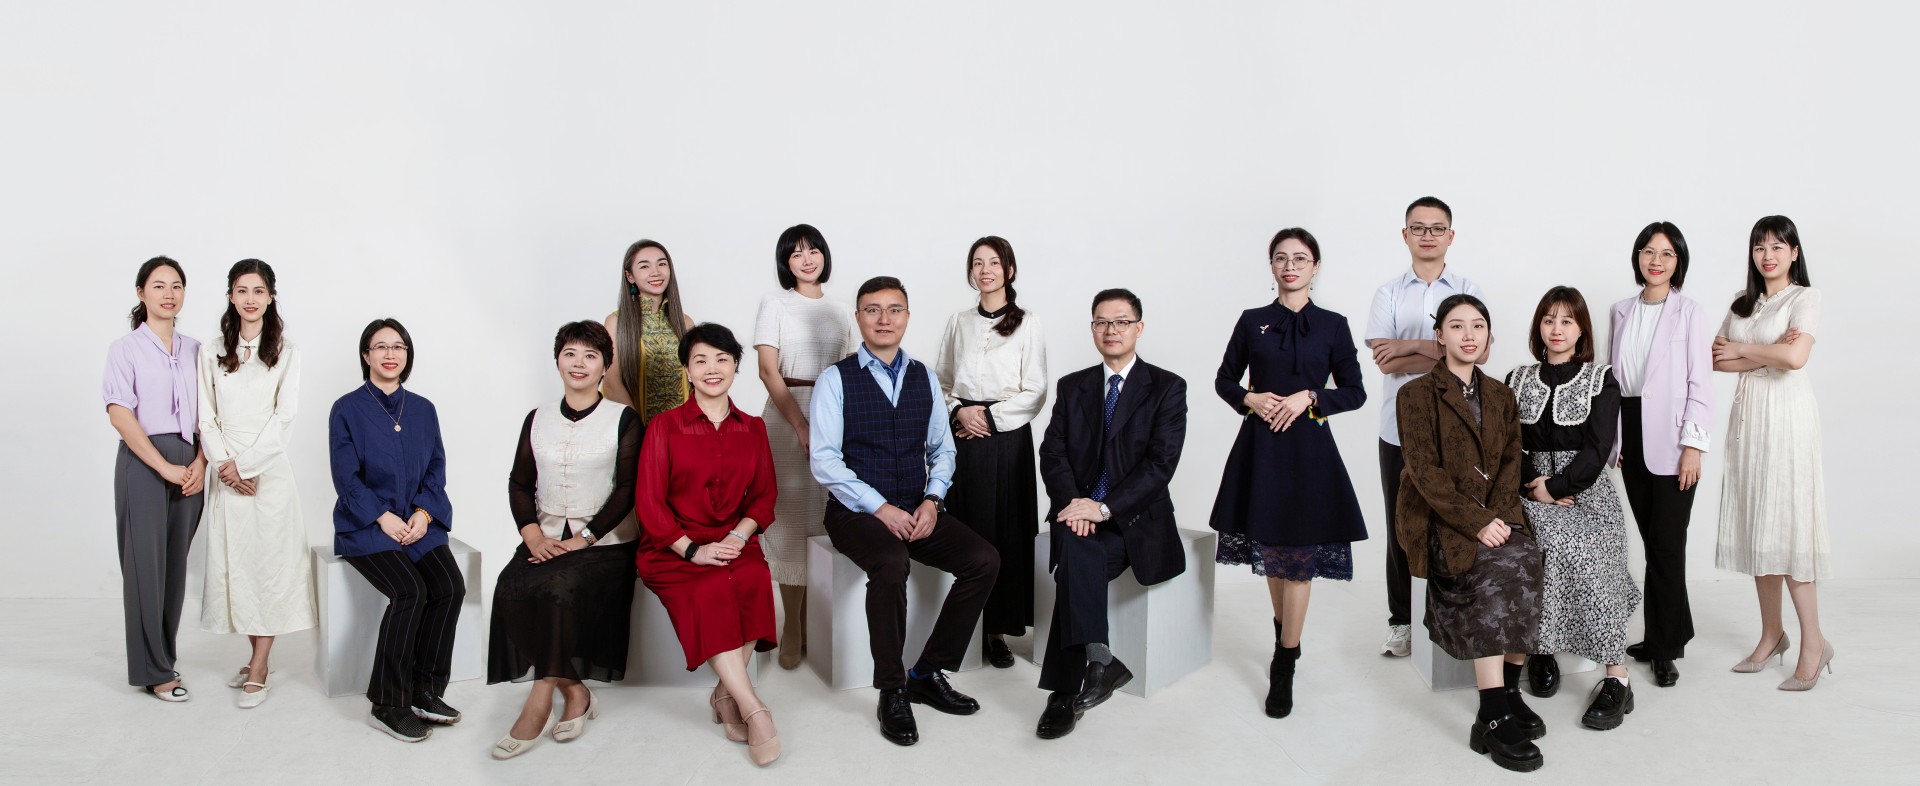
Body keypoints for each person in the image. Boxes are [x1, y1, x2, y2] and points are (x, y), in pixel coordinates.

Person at [809, 276, 1001, 747]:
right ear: (858, 318)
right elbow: (824, 460)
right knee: (892, 563)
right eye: (872, 310)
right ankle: (892, 690)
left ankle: (927, 672)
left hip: (918, 505)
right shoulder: (835, 379)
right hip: (854, 512)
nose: (884, 319)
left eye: (894, 309)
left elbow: (943, 449)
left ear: (907, 317)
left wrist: (933, 500)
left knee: (984, 560)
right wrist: (879, 508)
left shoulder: (924, 378)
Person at [1208, 229, 1367, 720]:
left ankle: (1285, 658)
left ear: (1316, 266)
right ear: (1272, 266)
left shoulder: (1333, 325)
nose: (1290, 265)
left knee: (1298, 558)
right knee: (1274, 554)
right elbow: (1223, 379)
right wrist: (1250, 399)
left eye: (1300, 258)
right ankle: (1286, 637)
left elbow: (1355, 391)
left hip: (1310, 452)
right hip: (1260, 450)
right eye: (1281, 258)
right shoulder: (1251, 320)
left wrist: (1311, 397)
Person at [1395, 295, 1544, 773]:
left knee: (1529, 559)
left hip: (1497, 514)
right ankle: (1491, 714)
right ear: (1439, 335)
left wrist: (1497, 518)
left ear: (1488, 336)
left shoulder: (1501, 395)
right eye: (1457, 326)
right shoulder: (1415, 395)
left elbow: (1511, 462)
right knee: (1495, 570)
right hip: (1440, 519)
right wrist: (1476, 522)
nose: (1468, 335)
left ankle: (1510, 692)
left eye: (1478, 325)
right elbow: (1425, 473)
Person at [1034, 288, 1189, 739]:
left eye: (1121, 322)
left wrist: (1102, 508)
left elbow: (1160, 465)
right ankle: (1097, 663)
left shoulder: (1167, 387)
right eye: (1101, 322)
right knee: (1076, 550)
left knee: (1073, 564)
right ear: (1092, 329)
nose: (1111, 330)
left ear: (1139, 328)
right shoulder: (1073, 386)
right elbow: (1052, 453)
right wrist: (1074, 505)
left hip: (1132, 521)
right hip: (1078, 515)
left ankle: (1065, 691)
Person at [487, 321, 642, 760]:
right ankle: (576, 691)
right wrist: (532, 534)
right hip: (546, 536)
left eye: (591, 356)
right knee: (509, 588)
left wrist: (586, 538)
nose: (579, 363)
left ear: (605, 366)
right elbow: (520, 483)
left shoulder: (623, 419)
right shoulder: (537, 418)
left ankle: (538, 703)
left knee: (557, 590)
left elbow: (627, 490)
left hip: (607, 544)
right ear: (557, 360)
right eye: (570, 353)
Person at [638, 323, 783, 766]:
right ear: (687, 370)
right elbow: (649, 503)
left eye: (722, 359)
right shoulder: (664, 426)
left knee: (754, 577)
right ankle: (754, 708)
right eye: (700, 360)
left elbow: (764, 496)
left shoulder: (753, 427)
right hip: (673, 547)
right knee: (710, 588)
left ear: (736, 365)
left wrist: (739, 535)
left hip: (734, 541)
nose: (712, 368)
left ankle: (724, 694)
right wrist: (692, 550)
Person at [1507, 287, 1640, 730]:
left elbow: (1598, 448)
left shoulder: (1601, 378)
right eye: (1549, 319)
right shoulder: (1516, 378)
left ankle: (1617, 676)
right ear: (1538, 327)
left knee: (1592, 551)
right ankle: (1542, 650)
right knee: (1542, 542)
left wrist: (1558, 486)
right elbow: (1509, 444)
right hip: (1529, 489)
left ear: (1581, 328)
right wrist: (1535, 487)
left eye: (1567, 320)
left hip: (1585, 490)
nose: (1557, 329)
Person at [329, 318, 464, 743]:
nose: (390, 354)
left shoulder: (423, 409)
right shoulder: (347, 408)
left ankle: (425, 690)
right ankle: (388, 703)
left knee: (450, 587)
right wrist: (381, 517)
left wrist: (424, 514)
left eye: (398, 346)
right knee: (410, 591)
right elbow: (346, 477)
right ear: (366, 355)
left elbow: (436, 469)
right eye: (381, 346)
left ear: (408, 355)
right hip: (367, 526)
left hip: (418, 523)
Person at [1712, 215, 1831, 691]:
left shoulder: (1805, 298)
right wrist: (1769, 350)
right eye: (1760, 246)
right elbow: (1716, 359)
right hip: (1749, 422)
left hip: (1787, 420)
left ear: (1794, 252)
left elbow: (1796, 359)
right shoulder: (1742, 303)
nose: (1768, 255)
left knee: (1788, 528)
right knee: (1759, 526)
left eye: (1778, 246)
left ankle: (1814, 643)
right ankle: (1772, 634)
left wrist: (1746, 350)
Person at [1366, 196, 1487, 657]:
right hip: (1398, 428)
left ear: (1450, 236)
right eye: (1419, 227)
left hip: (1457, 426)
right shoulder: (1388, 293)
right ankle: (1402, 621)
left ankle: (1449, 616)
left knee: (1455, 519)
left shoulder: (1468, 288)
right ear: (1406, 235)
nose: (1428, 235)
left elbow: (1479, 352)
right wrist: (1440, 348)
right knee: (1401, 524)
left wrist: (1407, 346)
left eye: (1437, 228)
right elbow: (1384, 361)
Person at [195, 259, 317, 708]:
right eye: (242, 290)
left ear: (270, 297)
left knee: (268, 566)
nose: (250, 299)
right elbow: (205, 415)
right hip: (225, 471)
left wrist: (246, 466)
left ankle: (260, 665)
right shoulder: (210, 350)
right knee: (238, 566)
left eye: (259, 291)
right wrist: (224, 465)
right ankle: (255, 657)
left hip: (267, 474)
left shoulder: (286, 351)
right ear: (231, 295)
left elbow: (285, 418)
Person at [1603, 222, 1714, 691]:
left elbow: (1700, 382)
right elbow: (1613, 381)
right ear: (1637, 257)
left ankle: (1664, 648)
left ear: (1678, 262)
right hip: (1631, 432)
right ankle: (1662, 635)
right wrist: (1614, 441)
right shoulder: (1620, 310)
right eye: (1648, 251)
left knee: (1668, 546)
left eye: (1667, 254)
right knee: (1654, 546)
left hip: (1672, 440)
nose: (1656, 261)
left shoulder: (1690, 312)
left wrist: (1693, 446)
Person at [935, 236, 1049, 668]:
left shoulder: (1028, 322)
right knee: (966, 527)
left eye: (994, 263)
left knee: (1004, 531)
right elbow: (942, 380)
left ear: (1010, 270)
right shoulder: (958, 321)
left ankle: (997, 629)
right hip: (962, 435)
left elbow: (1035, 390)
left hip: (1007, 439)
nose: (985, 270)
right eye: (978, 263)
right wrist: (959, 412)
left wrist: (989, 417)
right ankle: (964, 625)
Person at [753, 224, 856, 670]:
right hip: (785, 414)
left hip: (834, 412)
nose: (807, 259)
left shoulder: (842, 311)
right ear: (786, 263)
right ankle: (791, 625)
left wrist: (837, 423)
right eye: (796, 254)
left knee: (824, 518)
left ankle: (817, 619)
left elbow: (852, 370)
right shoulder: (775, 305)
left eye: (813, 250)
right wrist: (800, 424)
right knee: (791, 518)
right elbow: (767, 370)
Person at [103, 256, 206, 702]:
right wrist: (163, 467)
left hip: (191, 463)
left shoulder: (198, 350)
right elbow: (119, 413)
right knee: (145, 567)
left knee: (174, 568)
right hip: (145, 462)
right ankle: (155, 672)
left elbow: (212, 415)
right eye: (159, 285)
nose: (169, 293)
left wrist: (201, 462)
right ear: (141, 292)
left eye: (176, 285)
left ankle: (165, 657)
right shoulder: (125, 349)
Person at [605, 239, 696, 422]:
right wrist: (637, 430)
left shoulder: (685, 323)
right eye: (644, 266)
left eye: (662, 264)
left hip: (683, 428)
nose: (656, 272)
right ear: (630, 276)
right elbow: (611, 383)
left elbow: (696, 379)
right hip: (637, 428)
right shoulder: (616, 322)